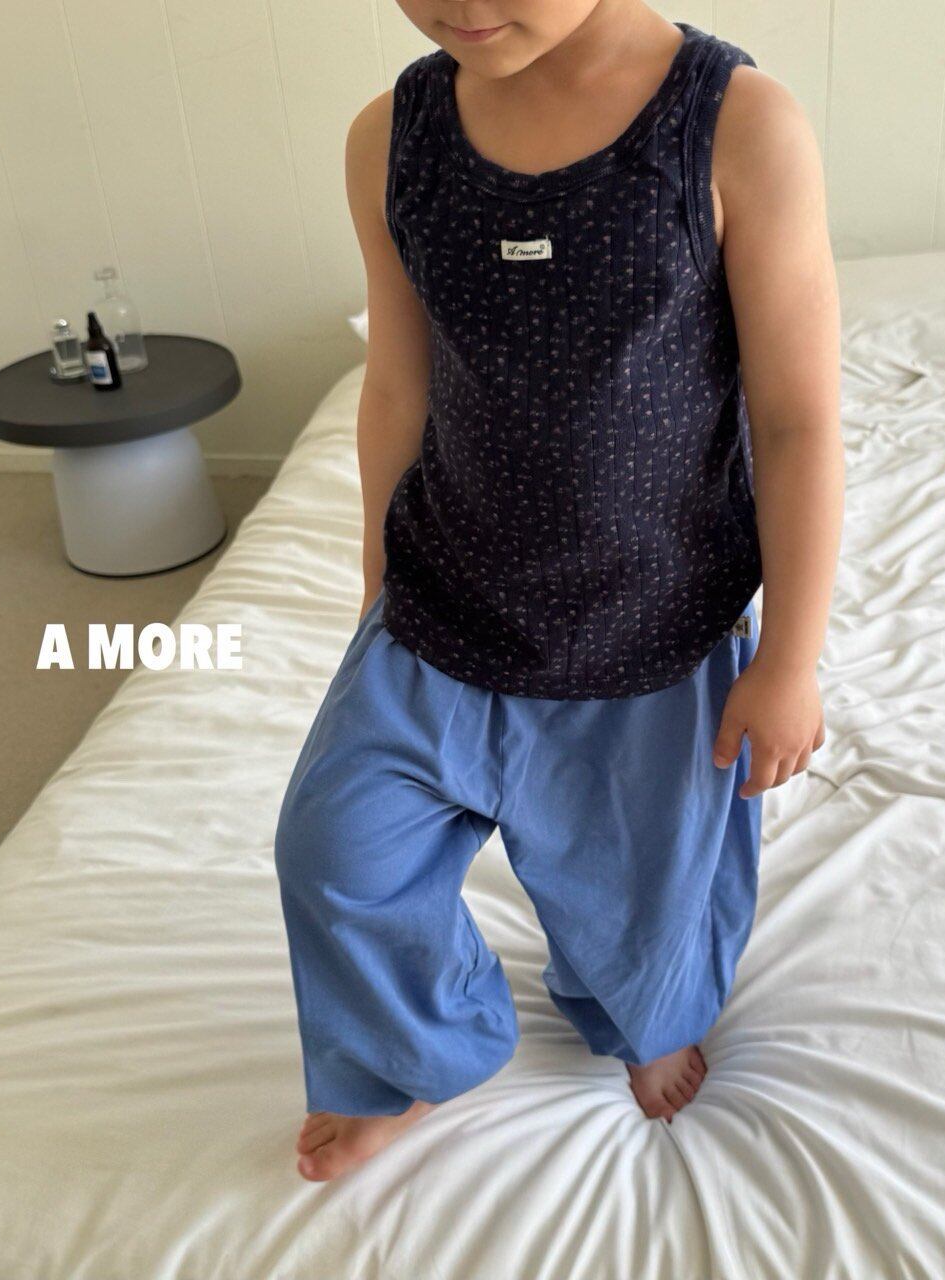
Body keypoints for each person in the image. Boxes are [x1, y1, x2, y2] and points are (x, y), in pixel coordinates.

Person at [274, 0, 842, 1183]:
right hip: (442, 600)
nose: (460, 5)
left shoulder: (737, 127)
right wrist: (376, 584)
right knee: (334, 853)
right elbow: (396, 385)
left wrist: (789, 658)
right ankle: (418, 1048)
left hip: (648, 621)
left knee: (639, 899)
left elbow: (795, 420)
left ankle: (649, 1017)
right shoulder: (389, 137)